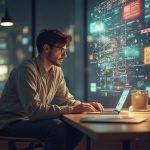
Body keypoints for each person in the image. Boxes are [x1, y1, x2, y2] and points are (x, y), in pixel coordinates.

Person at [0, 29, 104, 150]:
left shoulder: (56, 70)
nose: (65, 55)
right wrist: (71, 109)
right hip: (11, 123)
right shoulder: (27, 70)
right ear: (46, 48)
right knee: (56, 126)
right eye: (61, 49)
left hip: (31, 119)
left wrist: (84, 106)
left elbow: (66, 99)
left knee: (78, 125)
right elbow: (34, 111)